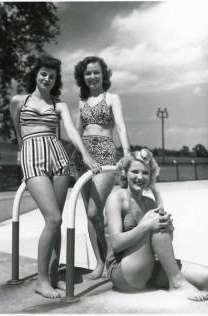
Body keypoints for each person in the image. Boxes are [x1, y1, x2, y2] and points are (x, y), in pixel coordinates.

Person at [9, 55, 101, 299]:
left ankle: (52, 275)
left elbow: (70, 132)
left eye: (51, 75)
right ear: (35, 75)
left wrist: (86, 155)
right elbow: (20, 135)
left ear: (55, 79)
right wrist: (25, 165)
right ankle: (41, 281)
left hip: (58, 157)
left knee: (58, 221)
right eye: (43, 74)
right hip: (33, 156)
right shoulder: (19, 101)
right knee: (53, 218)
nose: (47, 78)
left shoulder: (58, 105)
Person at [105, 148, 208, 301]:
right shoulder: (116, 198)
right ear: (125, 172)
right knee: (156, 223)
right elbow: (116, 243)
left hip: (148, 266)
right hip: (123, 271)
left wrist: (169, 229)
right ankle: (177, 284)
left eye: (145, 173)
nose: (140, 177)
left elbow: (162, 243)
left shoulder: (149, 202)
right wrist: (145, 225)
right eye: (135, 172)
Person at [73, 56, 130, 279]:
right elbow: (77, 133)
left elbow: (121, 126)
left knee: (94, 211)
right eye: (88, 73)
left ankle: (110, 258)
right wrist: (72, 157)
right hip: (83, 156)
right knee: (90, 216)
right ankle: (100, 262)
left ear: (103, 75)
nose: (92, 76)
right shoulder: (81, 103)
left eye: (96, 72)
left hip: (106, 153)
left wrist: (126, 153)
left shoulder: (112, 98)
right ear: (83, 76)